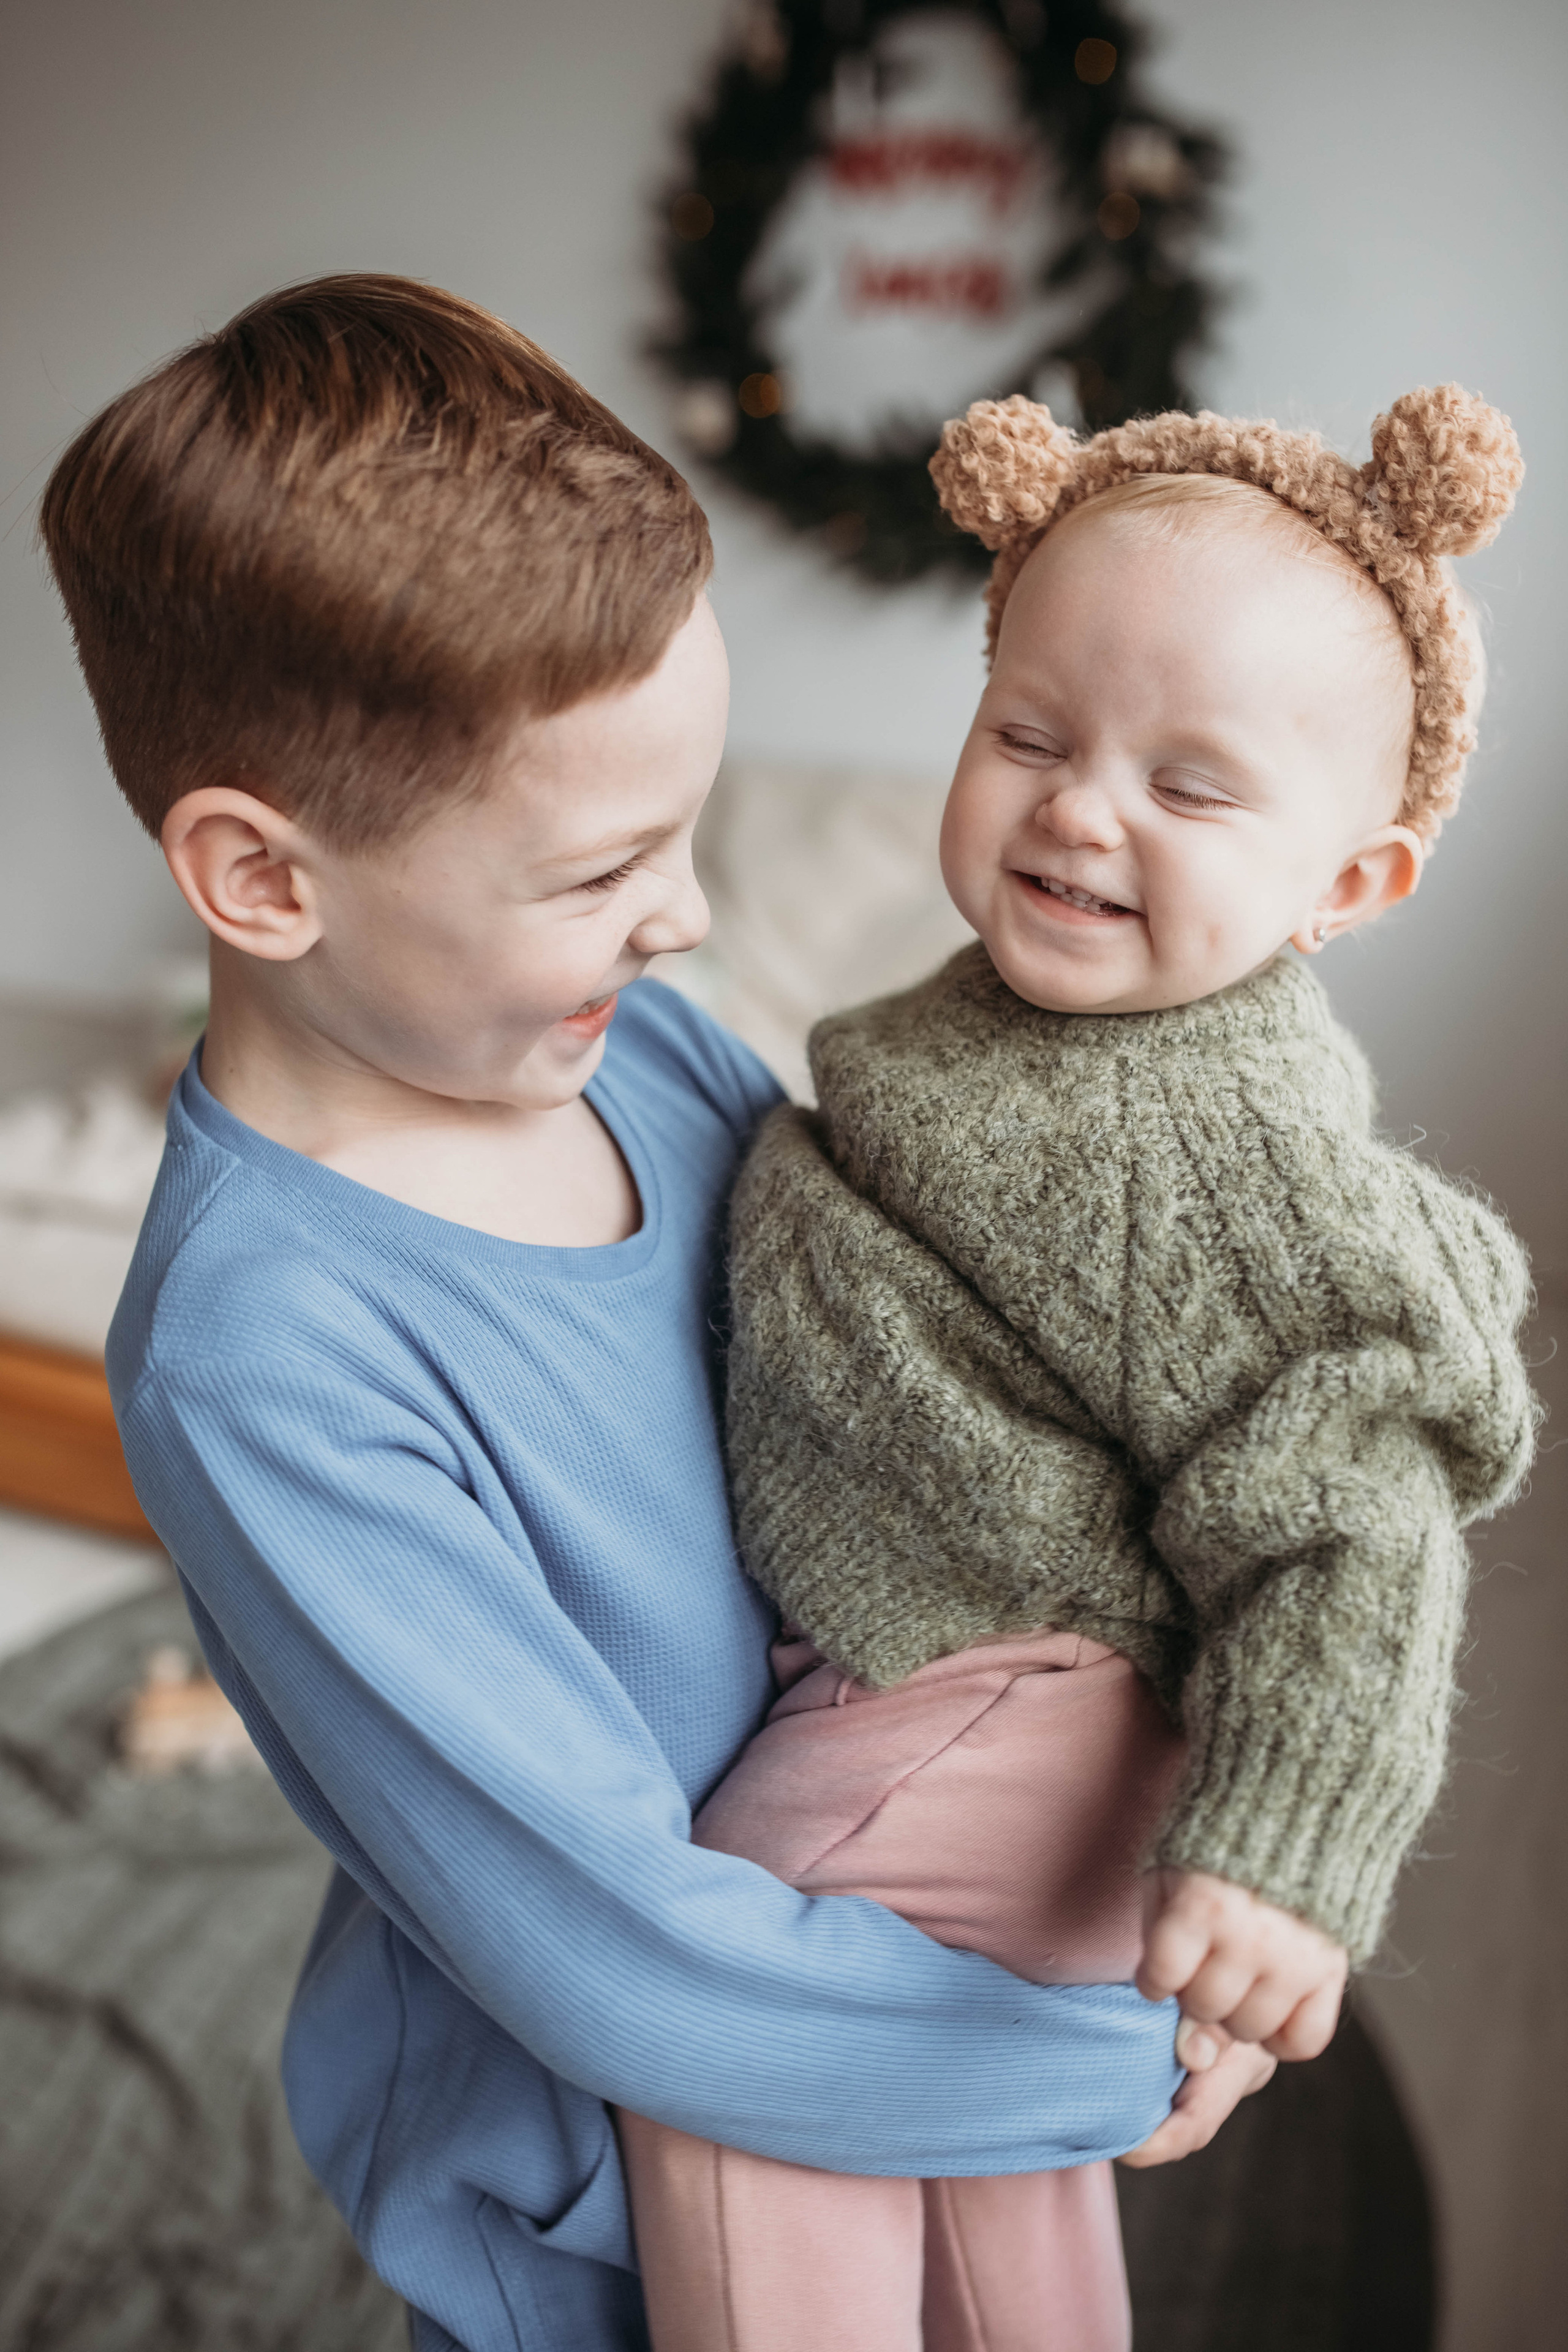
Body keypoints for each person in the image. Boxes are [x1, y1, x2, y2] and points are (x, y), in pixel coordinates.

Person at [36, 277, 1251, 2352]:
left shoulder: (647, 1058)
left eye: (686, 837)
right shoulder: (266, 1361)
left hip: (906, 2009)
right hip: (612, 2209)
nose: (681, 916)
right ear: (259, 878)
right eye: (605, 869)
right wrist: (1111, 2057)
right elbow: (626, 1964)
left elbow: (924, 1366)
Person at [616, 387, 1538, 2351]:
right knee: (983, 2163)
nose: (1079, 807)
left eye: (1190, 789)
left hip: (996, 1693)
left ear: (1346, 887)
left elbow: (1358, 1514)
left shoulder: (1219, 1143)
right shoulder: (1003, 1031)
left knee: (711, 1999)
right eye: (1029, 733)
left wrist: (1287, 1853)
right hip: (964, 1672)